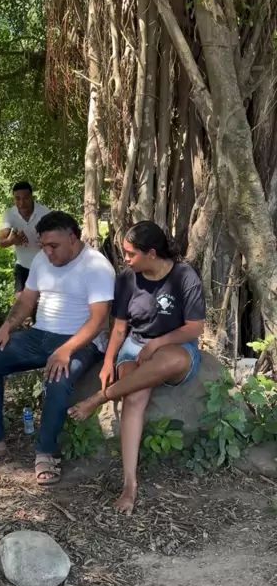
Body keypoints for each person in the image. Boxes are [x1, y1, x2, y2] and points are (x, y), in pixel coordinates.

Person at [0, 211, 116, 485]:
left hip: (81, 340)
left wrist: (66, 349)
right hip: (39, 335)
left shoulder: (97, 266)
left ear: (72, 238)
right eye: (43, 245)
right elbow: (26, 301)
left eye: (53, 245)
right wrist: (5, 329)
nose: (47, 252)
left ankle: (46, 452)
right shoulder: (42, 260)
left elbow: (98, 319)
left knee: (58, 377)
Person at [69, 221, 205, 515]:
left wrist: (158, 344)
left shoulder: (184, 276)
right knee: (134, 397)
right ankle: (130, 484)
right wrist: (108, 361)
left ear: (151, 253)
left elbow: (195, 327)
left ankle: (101, 397)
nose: (126, 259)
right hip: (134, 347)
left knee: (171, 360)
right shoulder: (126, 280)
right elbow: (119, 328)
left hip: (175, 347)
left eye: (131, 253)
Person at [0, 182, 50, 297]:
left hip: (45, 266)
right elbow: (1, 242)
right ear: (13, 199)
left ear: (32, 197)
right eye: (17, 199)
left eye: (26, 198)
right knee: (20, 301)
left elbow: (57, 238)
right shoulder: (10, 214)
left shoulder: (45, 212)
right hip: (22, 266)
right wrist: (12, 240)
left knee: (43, 301)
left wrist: (45, 242)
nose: (22, 203)